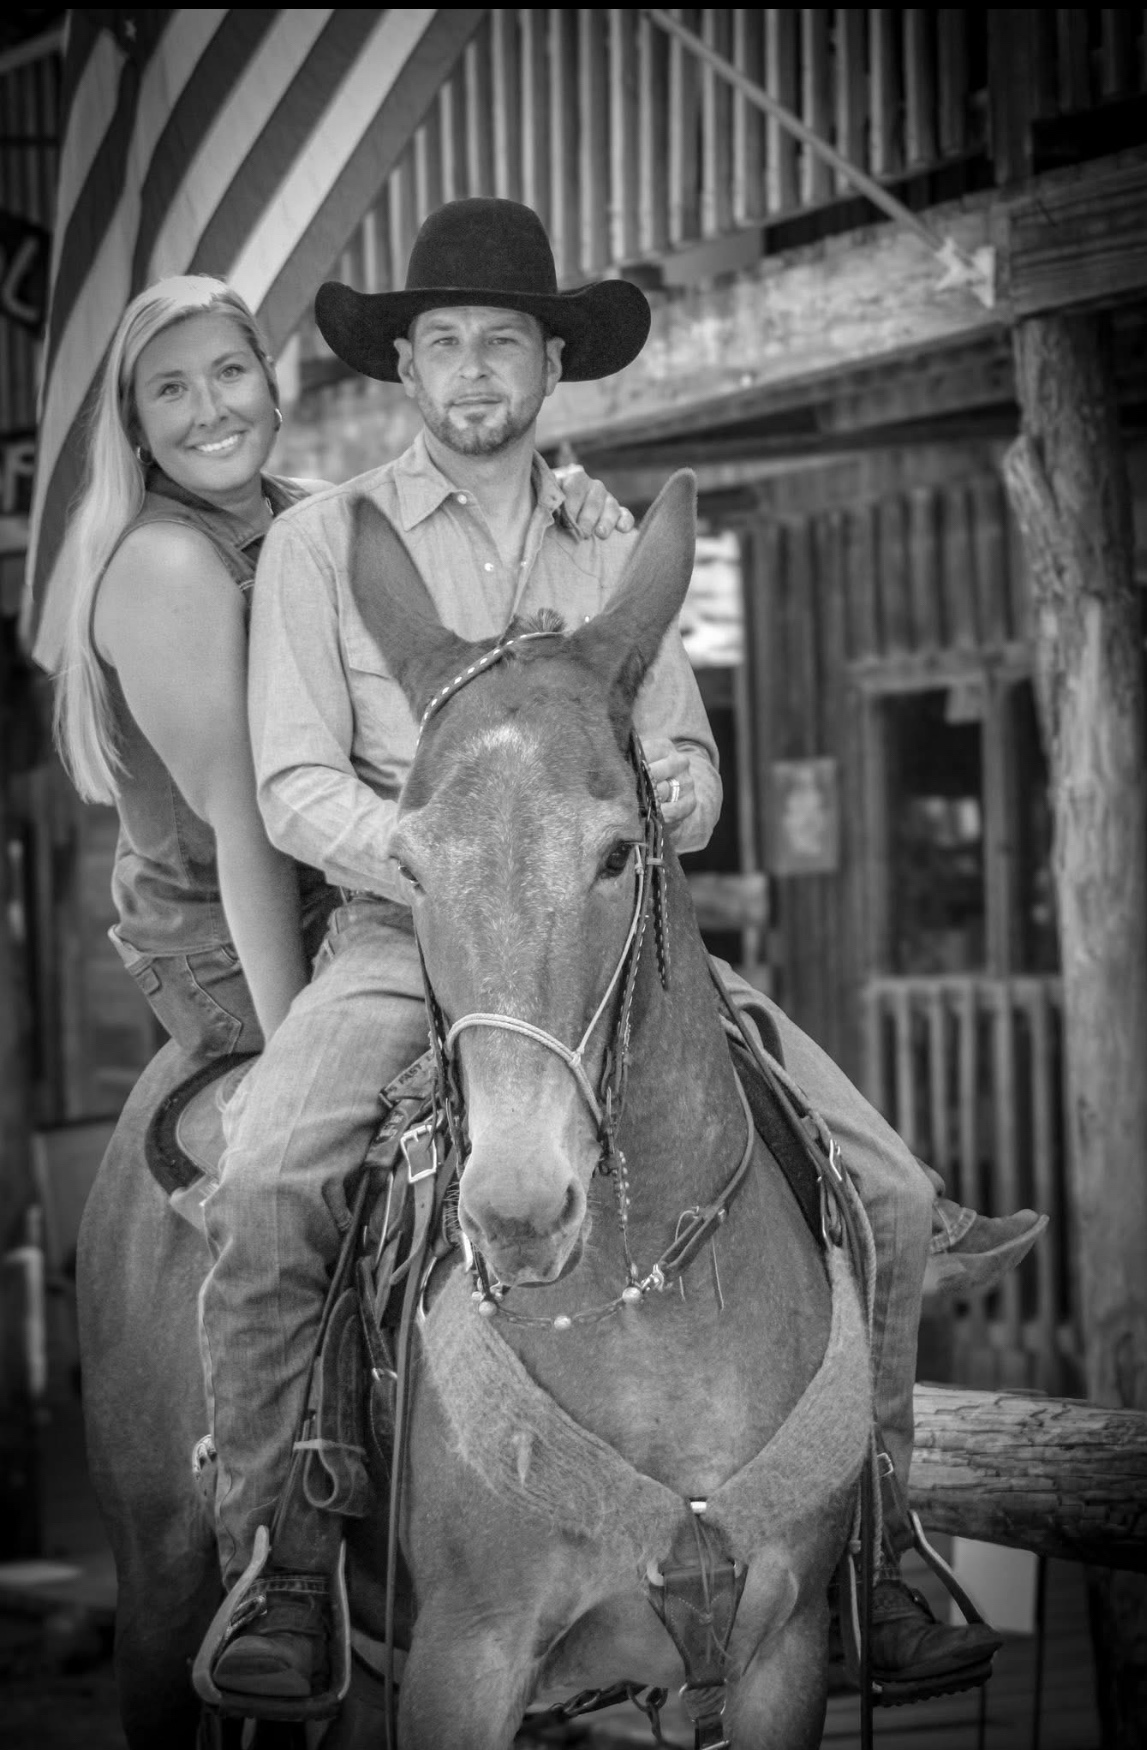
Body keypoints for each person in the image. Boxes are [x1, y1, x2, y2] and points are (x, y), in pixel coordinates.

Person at [197, 197, 1042, 1718]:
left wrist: (664, 803)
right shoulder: (327, 543)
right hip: (408, 924)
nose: (473, 369)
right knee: (270, 1179)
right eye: (443, 341)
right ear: (404, 364)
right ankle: (284, 1558)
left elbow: (685, 766)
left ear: (549, 367)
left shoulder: (608, 543)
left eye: (502, 342)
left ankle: (879, 1544)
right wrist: (455, 857)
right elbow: (292, 784)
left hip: (610, 930)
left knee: (891, 1189)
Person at [52, 273, 633, 1070]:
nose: (210, 410)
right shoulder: (167, 566)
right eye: (171, 389)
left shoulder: (310, 515)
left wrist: (557, 496)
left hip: (368, 891)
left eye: (229, 372)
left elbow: (464, 533)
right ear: (137, 425)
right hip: (242, 938)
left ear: (269, 383)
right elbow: (248, 826)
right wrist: (295, 1051)